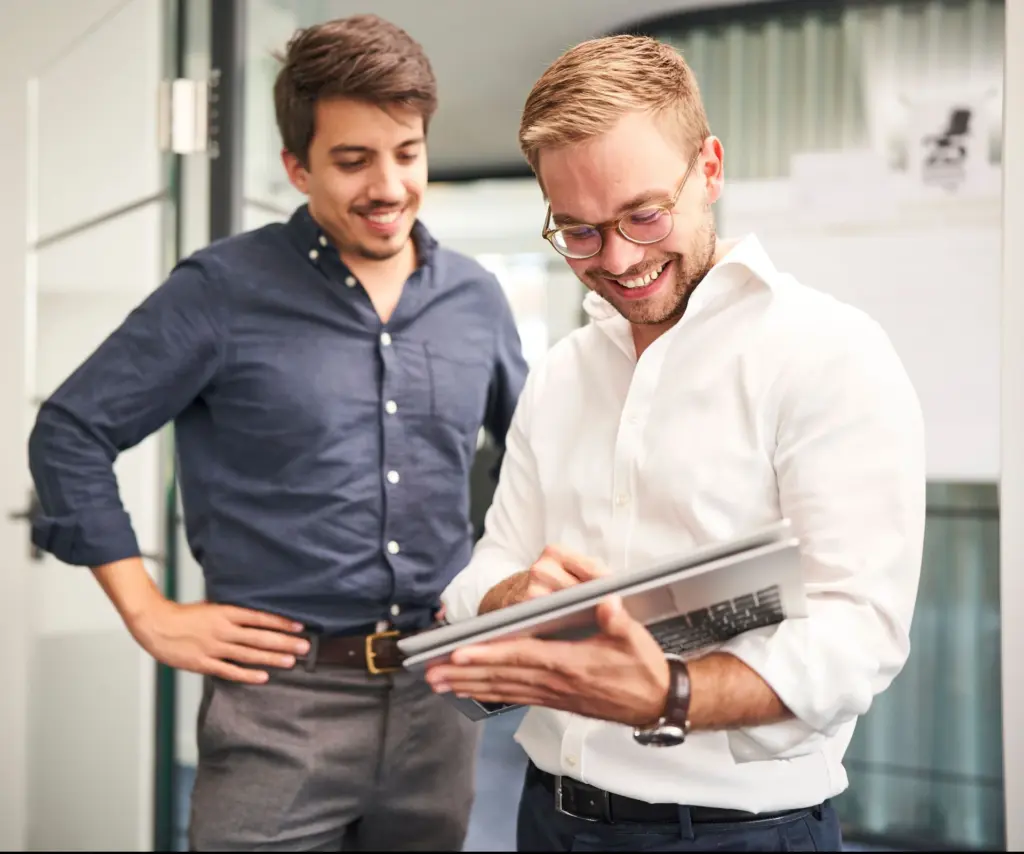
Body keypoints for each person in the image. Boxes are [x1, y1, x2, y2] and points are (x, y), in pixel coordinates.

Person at [27, 14, 527, 852]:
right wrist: (148, 611)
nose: (389, 186)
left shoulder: (476, 298)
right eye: (352, 159)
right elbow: (71, 432)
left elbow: (538, 461)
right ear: (297, 166)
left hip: (440, 699)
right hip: (279, 706)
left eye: (406, 153)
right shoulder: (218, 290)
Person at [430, 34, 926, 853]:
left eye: (644, 215)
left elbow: (857, 631)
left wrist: (667, 692)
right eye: (579, 232)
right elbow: (488, 566)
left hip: (735, 834)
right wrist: (511, 601)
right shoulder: (561, 375)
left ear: (711, 170)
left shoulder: (828, 352)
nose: (619, 260)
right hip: (548, 818)